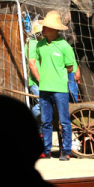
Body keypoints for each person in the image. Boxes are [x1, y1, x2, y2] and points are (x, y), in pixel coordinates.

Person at [34, 11, 77, 160]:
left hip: (60, 89)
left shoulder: (65, 46)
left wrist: (57, 75)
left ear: (52, 29)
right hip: (44, 88)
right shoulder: (39, 45)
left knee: (64, 121)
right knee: (46, 122)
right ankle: (46, 151)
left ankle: (66, 151)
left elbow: (70, 67)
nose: (43, 28)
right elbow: (39, 61)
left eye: (45, 26)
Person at [26, 19, 43, 122]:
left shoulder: (38, 43)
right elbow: (32, 65)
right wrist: (40, 80)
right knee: (42, 103)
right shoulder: (32, 44)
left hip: (40, 79)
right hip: (35, 81)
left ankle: (39, 129)